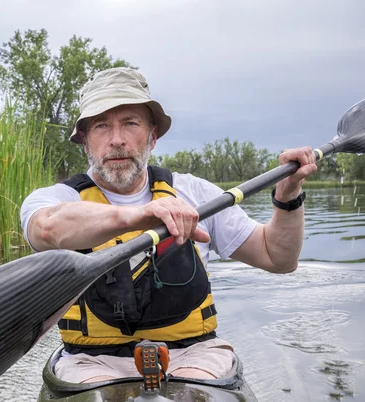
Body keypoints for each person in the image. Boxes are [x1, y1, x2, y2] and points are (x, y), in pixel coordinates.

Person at [20, 67, 317, 384]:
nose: (116, 139)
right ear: (85, 142)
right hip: (90, 361)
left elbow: (278, 258)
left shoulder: (197, 193)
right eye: (101, 126)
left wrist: (288, 196)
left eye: (130, 123)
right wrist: (142, 214)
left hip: (193, 355)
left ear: (152, 136)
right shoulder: (55, 199)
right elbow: (47, 229)